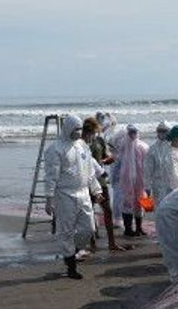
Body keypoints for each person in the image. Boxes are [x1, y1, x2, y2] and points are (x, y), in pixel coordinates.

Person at [44, 114, 102, 279]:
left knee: (89, 228)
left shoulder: (83, 146)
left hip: (83, 192)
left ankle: (72, 250)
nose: (78, 132)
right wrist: (49, 199)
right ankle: (71, 266)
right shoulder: (55, 149)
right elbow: (51, 176)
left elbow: (90, 171)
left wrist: (96, 190)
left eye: (80, 129)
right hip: (64, 194)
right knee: (66, 230)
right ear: (68, 129)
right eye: (75, 129)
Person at [82, 117, 119, 251]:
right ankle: (92, 244)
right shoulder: (80, 143)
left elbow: (106, 157)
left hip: (101, 181)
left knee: (107, 211)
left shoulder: (99, 140)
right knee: (88, 212)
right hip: (86, 183)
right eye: (91, 132)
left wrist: (109, 159)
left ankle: (112, 243)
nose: (93, 134)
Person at [144, 123, 178, 207]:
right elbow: (147, 170)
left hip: (172, 188)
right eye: (160, 131)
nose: (162, 133)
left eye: (164, 131)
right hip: (158, 185)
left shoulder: (177, 149)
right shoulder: (152, 150)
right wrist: (147, 187)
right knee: (160, 210)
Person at [115, 124, 149, 237]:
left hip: (139, 181)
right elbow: (117, 162)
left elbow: (147, 164)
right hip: (126, 181)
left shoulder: (142, 147)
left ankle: (139, 228)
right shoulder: (123, 146)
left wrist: (148, 181)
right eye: (130, 132)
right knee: (127, 203)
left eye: (134, 132)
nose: (133, 135)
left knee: (140, 203)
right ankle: (128, 229)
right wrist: (115, 177)